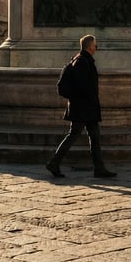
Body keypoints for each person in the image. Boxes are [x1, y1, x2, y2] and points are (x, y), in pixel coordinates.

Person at [46, 35, 116, 179]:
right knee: (74, 135)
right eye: (95, 45)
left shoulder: (82, 60)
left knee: (94, 137)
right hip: (83, 107)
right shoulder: (82, 62)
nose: (96, 47)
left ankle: (99, 168)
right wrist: (90, 100)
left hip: (86, 107)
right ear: (90, 46)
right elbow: (82, 85)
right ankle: (54, 162)